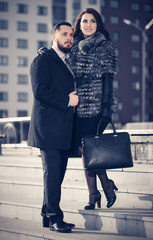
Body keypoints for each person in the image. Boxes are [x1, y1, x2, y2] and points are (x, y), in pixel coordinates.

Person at [28, 22, 79, 233]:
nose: (69, 38)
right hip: (48, 130)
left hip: (61, 130)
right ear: (54, 36)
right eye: (64, 34)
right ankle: (55, 217)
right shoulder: (43, 59)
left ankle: (46, 216)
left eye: (71, 35)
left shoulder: (65, 61)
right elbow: (40, 91)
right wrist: (67, 101)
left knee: (56, 175)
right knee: (53, 175)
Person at [66, 8, 118, 210]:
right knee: (83, 150)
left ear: (98, 25)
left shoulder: (104, 46)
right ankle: (98, 191)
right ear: (79, 24)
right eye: (84, 21)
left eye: (93, 21)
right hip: (76, 109)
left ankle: (101, 189)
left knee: (89, 149)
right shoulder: (73, 48)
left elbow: (108, 80)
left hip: (96, 108)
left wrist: (106, 108)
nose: (88, 24)